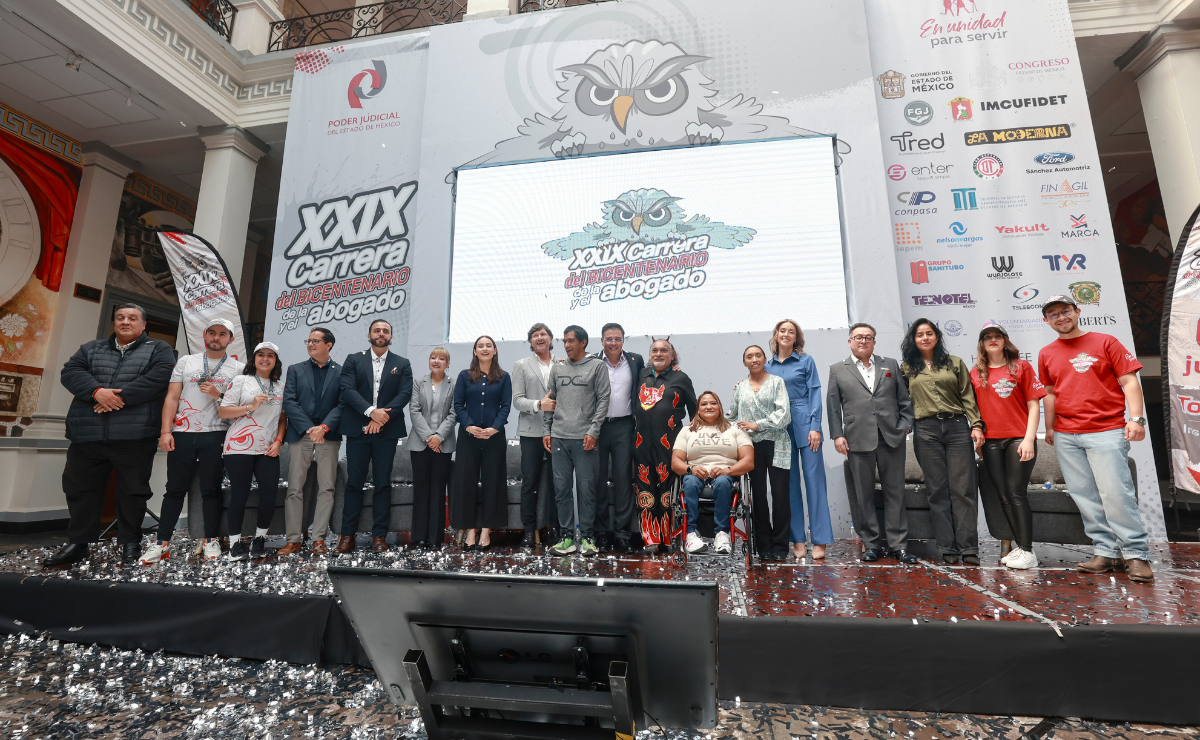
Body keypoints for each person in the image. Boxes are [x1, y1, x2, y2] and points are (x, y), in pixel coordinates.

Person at [46, 303, 176, 567]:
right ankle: (79, 543)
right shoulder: (90, 349)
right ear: (114, 322)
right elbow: (70, 373)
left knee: (133, 492)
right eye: (120, 317)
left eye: (132, 318)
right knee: (80, 489)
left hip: (135, 436)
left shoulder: (159, 349)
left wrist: (118, 397)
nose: (125, 321)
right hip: (87, 435)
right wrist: (97, 392)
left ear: (143, 325)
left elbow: (160, 377)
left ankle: (130, 543)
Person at [1038, 295, 1153, 582]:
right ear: (1046, 321)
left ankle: (1136, 555)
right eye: (1054, 315)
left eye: (1065, 311)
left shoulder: (1106, 342)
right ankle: (1106, 552)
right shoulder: (1046, 353)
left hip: (1106, 429)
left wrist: (1136, 418)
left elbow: (1129, 381)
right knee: (1085, 496)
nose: (1061, 318)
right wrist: (1050, 428)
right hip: (1066, 434)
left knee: (1116, 494)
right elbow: (1050, 393)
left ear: (1077, 311)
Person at [139, 318, 244, 565]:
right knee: (174, 489)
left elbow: (238, 407)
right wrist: (166, 432)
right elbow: (172, 398)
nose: (216, 337)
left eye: (222, 334)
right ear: (205, 335)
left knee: (211, 489)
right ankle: (161, 543)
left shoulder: (239, 369)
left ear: (231, 339)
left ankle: (210, 540)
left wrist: (219, 396)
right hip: (182, 433)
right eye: (212, 333)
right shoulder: (186, 361)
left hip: (217, 433)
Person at [827, 323, 918, 564]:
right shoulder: (837, 369)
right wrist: (837, 435)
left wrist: (905, 424)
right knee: (863, 494)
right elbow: (833, 406)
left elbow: (904, 400)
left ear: (874, 341)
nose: (863, 341)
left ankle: (899, 546)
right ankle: (871, 544)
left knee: (895, 493)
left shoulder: (890, 364)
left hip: (891, 437)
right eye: (858, 337)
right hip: (857, 439)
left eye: (868, 337)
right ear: (850, 341)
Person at [900, 319, 986, 565]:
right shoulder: (906, 368)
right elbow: (903, 401)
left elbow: (968, 396)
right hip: (925, 430)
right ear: (913, 340)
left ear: (937, 337)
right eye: (919, 334)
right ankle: (947, 546)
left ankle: (969, 547)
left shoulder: (955, 362)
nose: (925, 338)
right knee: (937, 491)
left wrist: (976, 424)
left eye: (929, 333)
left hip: (957, 428)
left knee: (963, 488)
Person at [971, 322, 1045, 570]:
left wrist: (1028, 439)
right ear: (982, 343)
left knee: (1016, 492)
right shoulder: (975, 372)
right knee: (1003, 496)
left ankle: (1027, 550)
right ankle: (1021, 548)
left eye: (997, 336)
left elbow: (1034, 405)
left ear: (1005, 340)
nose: (993, 340)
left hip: (1018, 439)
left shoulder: (1021, 367)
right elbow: (974, 410)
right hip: (991, 442)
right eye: (987, 337)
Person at [335, 319, 413, 554]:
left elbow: (405, 393)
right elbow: (347, 389)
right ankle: (347, 536)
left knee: (382, 484)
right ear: (369, 334)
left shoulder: (402, 363)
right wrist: (371, 413)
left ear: (391, 336)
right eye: (377, 330)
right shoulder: (353, 359)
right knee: (353, 484)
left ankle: (380, 536)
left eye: (386, 331)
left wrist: (381, 419)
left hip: (387, 433)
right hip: (358, 430)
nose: (381, 334)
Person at [765, 319, 831, 560]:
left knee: (815, 482)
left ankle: (821, 539)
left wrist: (816, 427)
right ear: (775, 335)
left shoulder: (806, 360)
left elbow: (814, 391)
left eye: (791, 332)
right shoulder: (767, 364)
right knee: (788, 485)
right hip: (780, 428)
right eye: (782, 331)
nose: (786, 334)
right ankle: (798, 539)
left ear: (796, 337)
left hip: (805, 423)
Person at [543, 325, 610, 556]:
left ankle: (588, 538)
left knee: (586, 490)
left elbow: (603, 400)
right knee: (561, 490)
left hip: (585, 439)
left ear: (583, 342)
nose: (567, 345)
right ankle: (567, 538)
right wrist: (546, 431)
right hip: (559, 437)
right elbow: (549, 401)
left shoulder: (597, 366)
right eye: (564, 341)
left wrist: (593, 431)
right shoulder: (557, 368)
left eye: (571, 341)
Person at [218, 342, 288, 561]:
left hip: (267, 448)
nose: (265, 359)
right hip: (239, 447)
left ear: (276, 361)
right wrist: (251, 406)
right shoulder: (241, 381)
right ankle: (235, 544)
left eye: (270, 356)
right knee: (240, 494)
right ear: (254, 359)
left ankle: (259, 539)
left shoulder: (280, 386)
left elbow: (283, 418)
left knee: (269, 495)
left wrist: (278, 441)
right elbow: (223, 411)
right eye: (261, 355)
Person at [278, 327, 343, 556]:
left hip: (329, 435)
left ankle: (319, 539)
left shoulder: (342, 372)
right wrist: (310, 428)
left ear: (329, 345)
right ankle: (293, 540)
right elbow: (290, 401)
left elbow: (342, 404)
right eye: (309, 340)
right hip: (301, 433)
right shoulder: (295, 370)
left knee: (327, 487)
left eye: (316, 341)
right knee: (295, 488)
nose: (310, 344)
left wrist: (324, 427)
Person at [727, 345, 792, 561]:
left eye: (758, 355)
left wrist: (757, 425)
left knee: (780, 496)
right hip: (749, 448)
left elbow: (784, 416)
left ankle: (781, 546)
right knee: (757, 497)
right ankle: (763, 545)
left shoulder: (776, 382)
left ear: (765, 359)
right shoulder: (740, 387)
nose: (754, 359)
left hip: (776, 444)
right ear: (744, 362)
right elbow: (731, 415)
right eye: (749, 356)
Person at [632, 338, 697, 550]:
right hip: (640, 444)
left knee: (669, 491)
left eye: (664, 351)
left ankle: (670, 537)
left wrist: (691, 441)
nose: (659, 354)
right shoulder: (639, 374)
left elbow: (695, 413)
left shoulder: (681, 377)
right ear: (649, 355)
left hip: (670, 444)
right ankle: (650, 538)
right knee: (645, 490)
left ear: (672, 356)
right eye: (655, 350)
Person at [672, 391, 755, 554]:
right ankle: (690, 534)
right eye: (704, 404)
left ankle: (722, 534)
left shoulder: (735, 429)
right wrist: (691, 469)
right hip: (695, 474)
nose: (708, 406)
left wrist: (728, 470)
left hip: (726, 475)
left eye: (713, 403)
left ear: (720, 406)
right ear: (698, 409)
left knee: (723, 482)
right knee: (688, 482)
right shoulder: (687, 431)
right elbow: (676, 462)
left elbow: (749, 461)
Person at [451, 336, 511, 549]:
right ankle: (469, 531)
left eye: (488, 345)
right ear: (474, 351)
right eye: (480, 346)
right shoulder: (464, 376)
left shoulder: (503, 377)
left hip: (494, 438)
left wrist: (495, 428)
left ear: (494, 350)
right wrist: (468, 426)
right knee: (465, 483)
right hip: (468, 437)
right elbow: (458, 404)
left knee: (492, 483)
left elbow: (506, 407)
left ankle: (486, 531)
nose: (484, 348)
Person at [593, 322, 645, 553]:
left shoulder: (635, 360)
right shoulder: (592, 361)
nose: (613, 343)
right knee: (598, 481)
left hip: (625, 426)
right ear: (602, 340)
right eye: (608, 339)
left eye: (617, 338)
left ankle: (622, 535)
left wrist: (676, 369)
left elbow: (651, 376)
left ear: (623, 340)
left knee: (624, 480)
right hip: (598, 427)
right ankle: (601, 533)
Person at [510, 323, 558, 549]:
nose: (540, 338)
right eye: (535, 335)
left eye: (543, 334)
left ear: (551, 338)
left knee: (558, 484)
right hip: (531, 434)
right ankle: (529, 530)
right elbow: (517, 400)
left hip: (559, 432)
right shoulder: (521, 365)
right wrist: (540, 404)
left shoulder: (563, 364)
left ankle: (556, 531)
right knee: (530, 483)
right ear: (530, 341)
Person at [404, 348, 457, 550]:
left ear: (447, 363)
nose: (436, 361)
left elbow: (454, 413)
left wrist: (438, 437)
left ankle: (435, 539)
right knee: (421, 490)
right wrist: (428, 437)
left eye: (441, 358)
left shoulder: (454, 384)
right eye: (433, 358)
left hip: (443, 444)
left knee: (437, 490)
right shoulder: (419, 383)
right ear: (429, 361)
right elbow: (414, 410)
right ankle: (419, 537)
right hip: (420, 443)